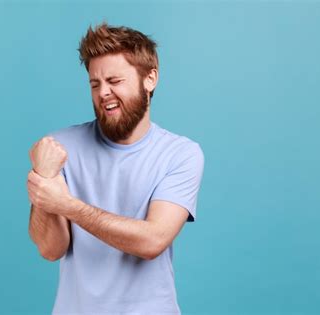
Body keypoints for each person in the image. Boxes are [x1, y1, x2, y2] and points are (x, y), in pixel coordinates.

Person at [27, 22, 205, 314]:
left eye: (114, 81)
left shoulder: (180, 154)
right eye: (95, 84)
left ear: (150, 78)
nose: (103, 93)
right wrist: (42, 177)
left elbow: (153, 240)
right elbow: (50, 249)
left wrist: (67, 205)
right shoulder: (60, 148)